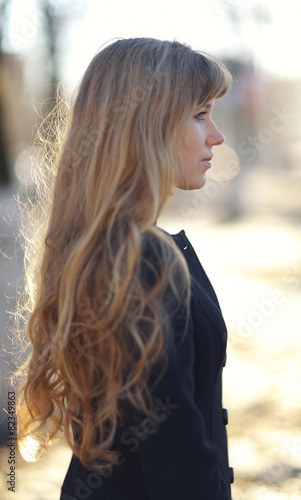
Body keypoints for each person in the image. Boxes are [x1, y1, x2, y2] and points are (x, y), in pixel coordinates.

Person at [14, 37, 233, 499]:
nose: (217, 135)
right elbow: (177, 462)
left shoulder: (116, 249)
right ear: (144, 125)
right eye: (199, 115)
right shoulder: (139, 260)